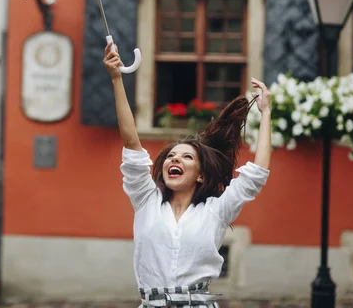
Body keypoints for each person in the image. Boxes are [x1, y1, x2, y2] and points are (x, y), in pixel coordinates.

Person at [103, 42, 272, 308]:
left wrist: (266, 114)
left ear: (201, 176)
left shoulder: (216, 211)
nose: (175, 159)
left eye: (186, 157)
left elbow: (257, 174)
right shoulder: (146, 200)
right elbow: (131, 142)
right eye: (171, 155)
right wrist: (116, 79)